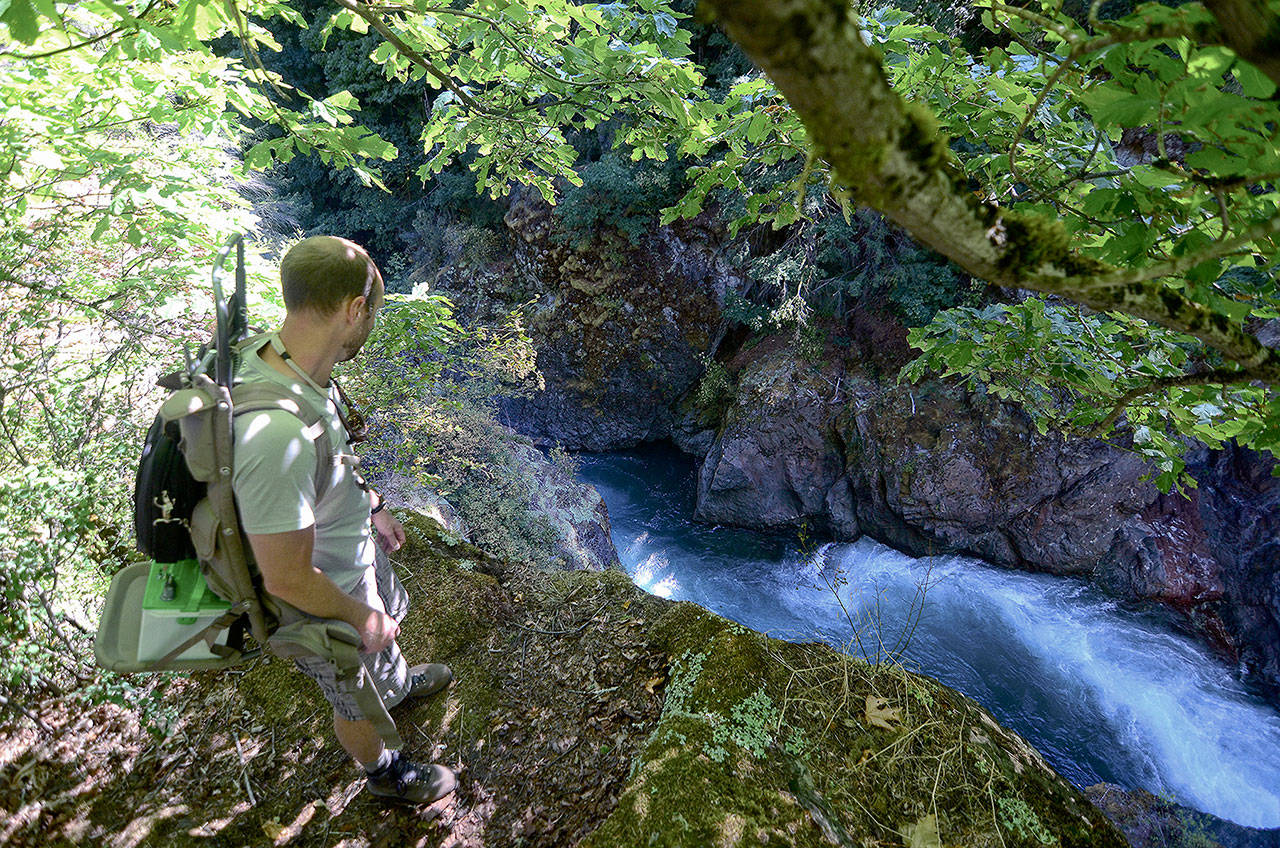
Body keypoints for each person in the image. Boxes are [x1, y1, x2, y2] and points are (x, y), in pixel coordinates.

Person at [231, 235, 456, 805]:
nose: (370, 326)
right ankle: (385, 771)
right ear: (355, 309)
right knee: (351, 692)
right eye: (372, 313)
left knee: (383, 641)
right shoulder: (273, 432)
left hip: (349, 552)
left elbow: (326, 462)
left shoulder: (288, 359)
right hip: (322, 595)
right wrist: (361, 616)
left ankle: (398, 685)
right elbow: (285, 577)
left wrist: (373, 506)